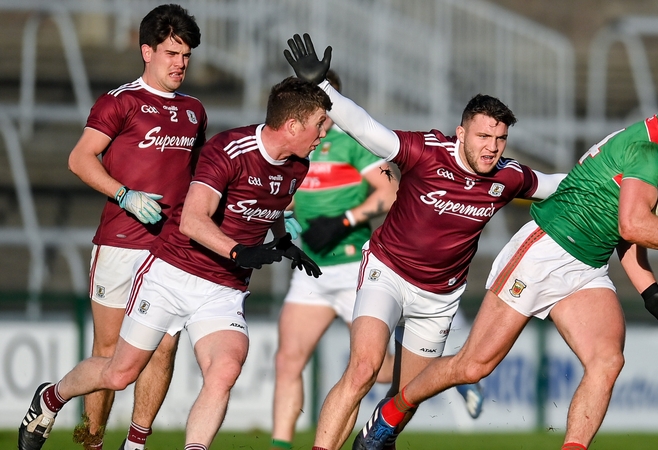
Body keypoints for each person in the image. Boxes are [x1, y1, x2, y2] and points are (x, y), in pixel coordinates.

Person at [359, 66, 658, 450]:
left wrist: (649, 289)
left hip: (587, 267)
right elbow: (633, 224)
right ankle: (389, 415)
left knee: (607, 361)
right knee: (473, 366)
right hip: (545, 251)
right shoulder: (649, 151)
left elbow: (624, 230)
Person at [283, 34, 567, 450]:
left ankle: (376, 437)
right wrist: (324, 90)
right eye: (483, 136)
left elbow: (561, 186)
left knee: (406, 399)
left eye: (500, 139)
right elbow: (365, 128)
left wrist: (619, 177)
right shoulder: (425, 151)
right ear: (461, 133)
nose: (491, 148)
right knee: (363, 369)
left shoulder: (509, 176)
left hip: (439, 298)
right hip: (388, 272)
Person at [18, 76, 329, 450]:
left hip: (223, 290)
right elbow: (192, 220)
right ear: (293, 125)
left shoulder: (298, 165)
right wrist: (238, 251)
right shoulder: (228, 149)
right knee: (119, 373)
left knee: (225, 370)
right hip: (173, 273)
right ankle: (51, 397)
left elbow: (268, 205)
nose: (324, 134)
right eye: (320, 124)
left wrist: (283, 240)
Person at [64, 5, 204, 450]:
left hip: (170, 251)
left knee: (164, 347)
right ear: (147, 51)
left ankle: (136, 445)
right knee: (109, 354)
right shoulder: (120, 101)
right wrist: (123, 194)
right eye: (171, 52)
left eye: (186, 55)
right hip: (121, 244)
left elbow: (202, 179)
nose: (180, 63)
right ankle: (93, 442)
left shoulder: (195, 111)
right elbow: (80, 159)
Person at [270, 69, 399, 450]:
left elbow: (389, 195)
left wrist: (345, 220)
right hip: (310, 270)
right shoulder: (297, 144)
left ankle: (440, 375)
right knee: (287, 360)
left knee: (372, 370)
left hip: (351, 268)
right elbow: (289, 196)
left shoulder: (354, 143)